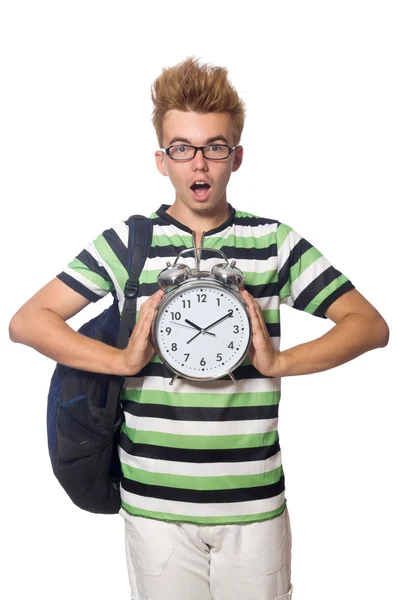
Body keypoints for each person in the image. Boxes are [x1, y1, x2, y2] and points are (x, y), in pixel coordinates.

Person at [9, 56, 389, 600]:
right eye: (183, 149)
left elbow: (369, 326)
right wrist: (121, 361)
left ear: (235, 156)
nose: (200, 165)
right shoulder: (127, 244)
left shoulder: (271, 243)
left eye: (214, 147)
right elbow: (28, 322)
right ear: (161, 160)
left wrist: (279, 363)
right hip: (155, 505)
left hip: (252, 506)